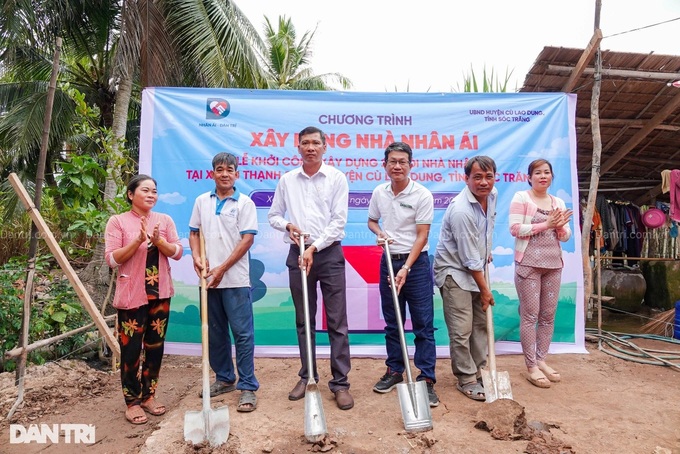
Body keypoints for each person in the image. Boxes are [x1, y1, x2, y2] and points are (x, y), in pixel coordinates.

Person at [267, 126, 353, 410]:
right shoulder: (288, 180)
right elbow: (274, 215)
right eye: (305, 143)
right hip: (297, 253)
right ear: (298, 147)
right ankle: (308, 376)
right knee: (304, 320)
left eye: (316, 142)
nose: (311, 147)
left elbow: (339, 222)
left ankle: (340, 383)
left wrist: (314, 248)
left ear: (325, 147)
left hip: (328, 254)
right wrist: (288, 225)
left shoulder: (336, 178)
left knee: (337, 321)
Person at [105, 174, 183, 425]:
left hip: (160, 294)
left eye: (154, 191)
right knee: (130, 350)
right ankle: (132, 402)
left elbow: (178, 252)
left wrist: (159, 241)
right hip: (131, 296)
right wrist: (138, 241)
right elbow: (112, 259)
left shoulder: (164, 220)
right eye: (145, 191)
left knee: (155, 348)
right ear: (130, 195)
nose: (151, 195)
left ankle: (149, 396)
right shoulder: (118, 222)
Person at [367, 141, 439, 407]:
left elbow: (423, 235)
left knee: (423, 324)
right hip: (388, 260)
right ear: (384, 165)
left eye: (402, 162)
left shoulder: (422, 194)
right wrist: (379, 233)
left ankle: (427, 379)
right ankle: (395, 371)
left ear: (410, 165)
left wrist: (406, 268)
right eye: (392, 162)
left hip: (417, 264)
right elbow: (372, 220)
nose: (397, 166)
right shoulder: (380, 192)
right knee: (392, 323)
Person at [188, 152, 260, 411]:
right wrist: (197, 257)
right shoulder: (201, 201)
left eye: (230, 170)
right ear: (213, 173)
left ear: (237, 174)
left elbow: (247, 240)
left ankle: (248, 386)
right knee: (215, 334)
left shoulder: (244, 203)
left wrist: (222, 269)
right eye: (220, 169)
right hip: (208, 280)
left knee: (242, 334)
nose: (225, 173)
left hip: (235, 280)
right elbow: (194, 233)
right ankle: (225, 378)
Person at [433, 156, 497, 402]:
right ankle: (467, 378)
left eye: (488, 176)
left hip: (476, 267)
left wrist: (486, 250)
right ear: (466, 178)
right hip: (454, 272)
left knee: (480, 324)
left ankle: (480, 370)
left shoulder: (492, 195)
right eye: (477, 177)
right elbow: (468, 258)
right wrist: (485, 290)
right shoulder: (460, 210)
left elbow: (486, 229)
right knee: (462, 329)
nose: (483, 182)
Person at [509, 159, 572, 388]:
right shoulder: (521, 198)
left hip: (554, 265)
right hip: (528, 264)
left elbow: (565, 236)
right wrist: (546, 224)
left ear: (552, 177)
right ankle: (531, 366)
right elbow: (515, 229)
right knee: (530, 315)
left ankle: (542, 359)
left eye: (546, 172)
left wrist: (559, 226)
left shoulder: (558, 202)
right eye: (537, 173)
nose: (542, 176)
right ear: (529, 177)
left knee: (548, 315)